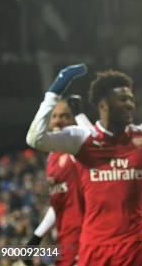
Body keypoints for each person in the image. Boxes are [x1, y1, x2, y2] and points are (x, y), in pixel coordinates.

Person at [26, 65, 142, 266]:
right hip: (92, 247)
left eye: (131, 99)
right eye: (123, 99)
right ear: (103, 105)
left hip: (131, 245)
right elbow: (36, 139)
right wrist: (54, 91)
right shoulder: (81, 139)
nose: (130, 104)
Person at [25, 96, 91, 266]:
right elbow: (60, 202)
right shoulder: (52, 156)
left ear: (73, 119)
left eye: (64, 116)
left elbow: (97, 142)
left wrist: (81, 115)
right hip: (65, 243)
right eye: (53, 116)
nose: (57, 121)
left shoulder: (79, 151)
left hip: (86, 239)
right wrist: (36, 237)